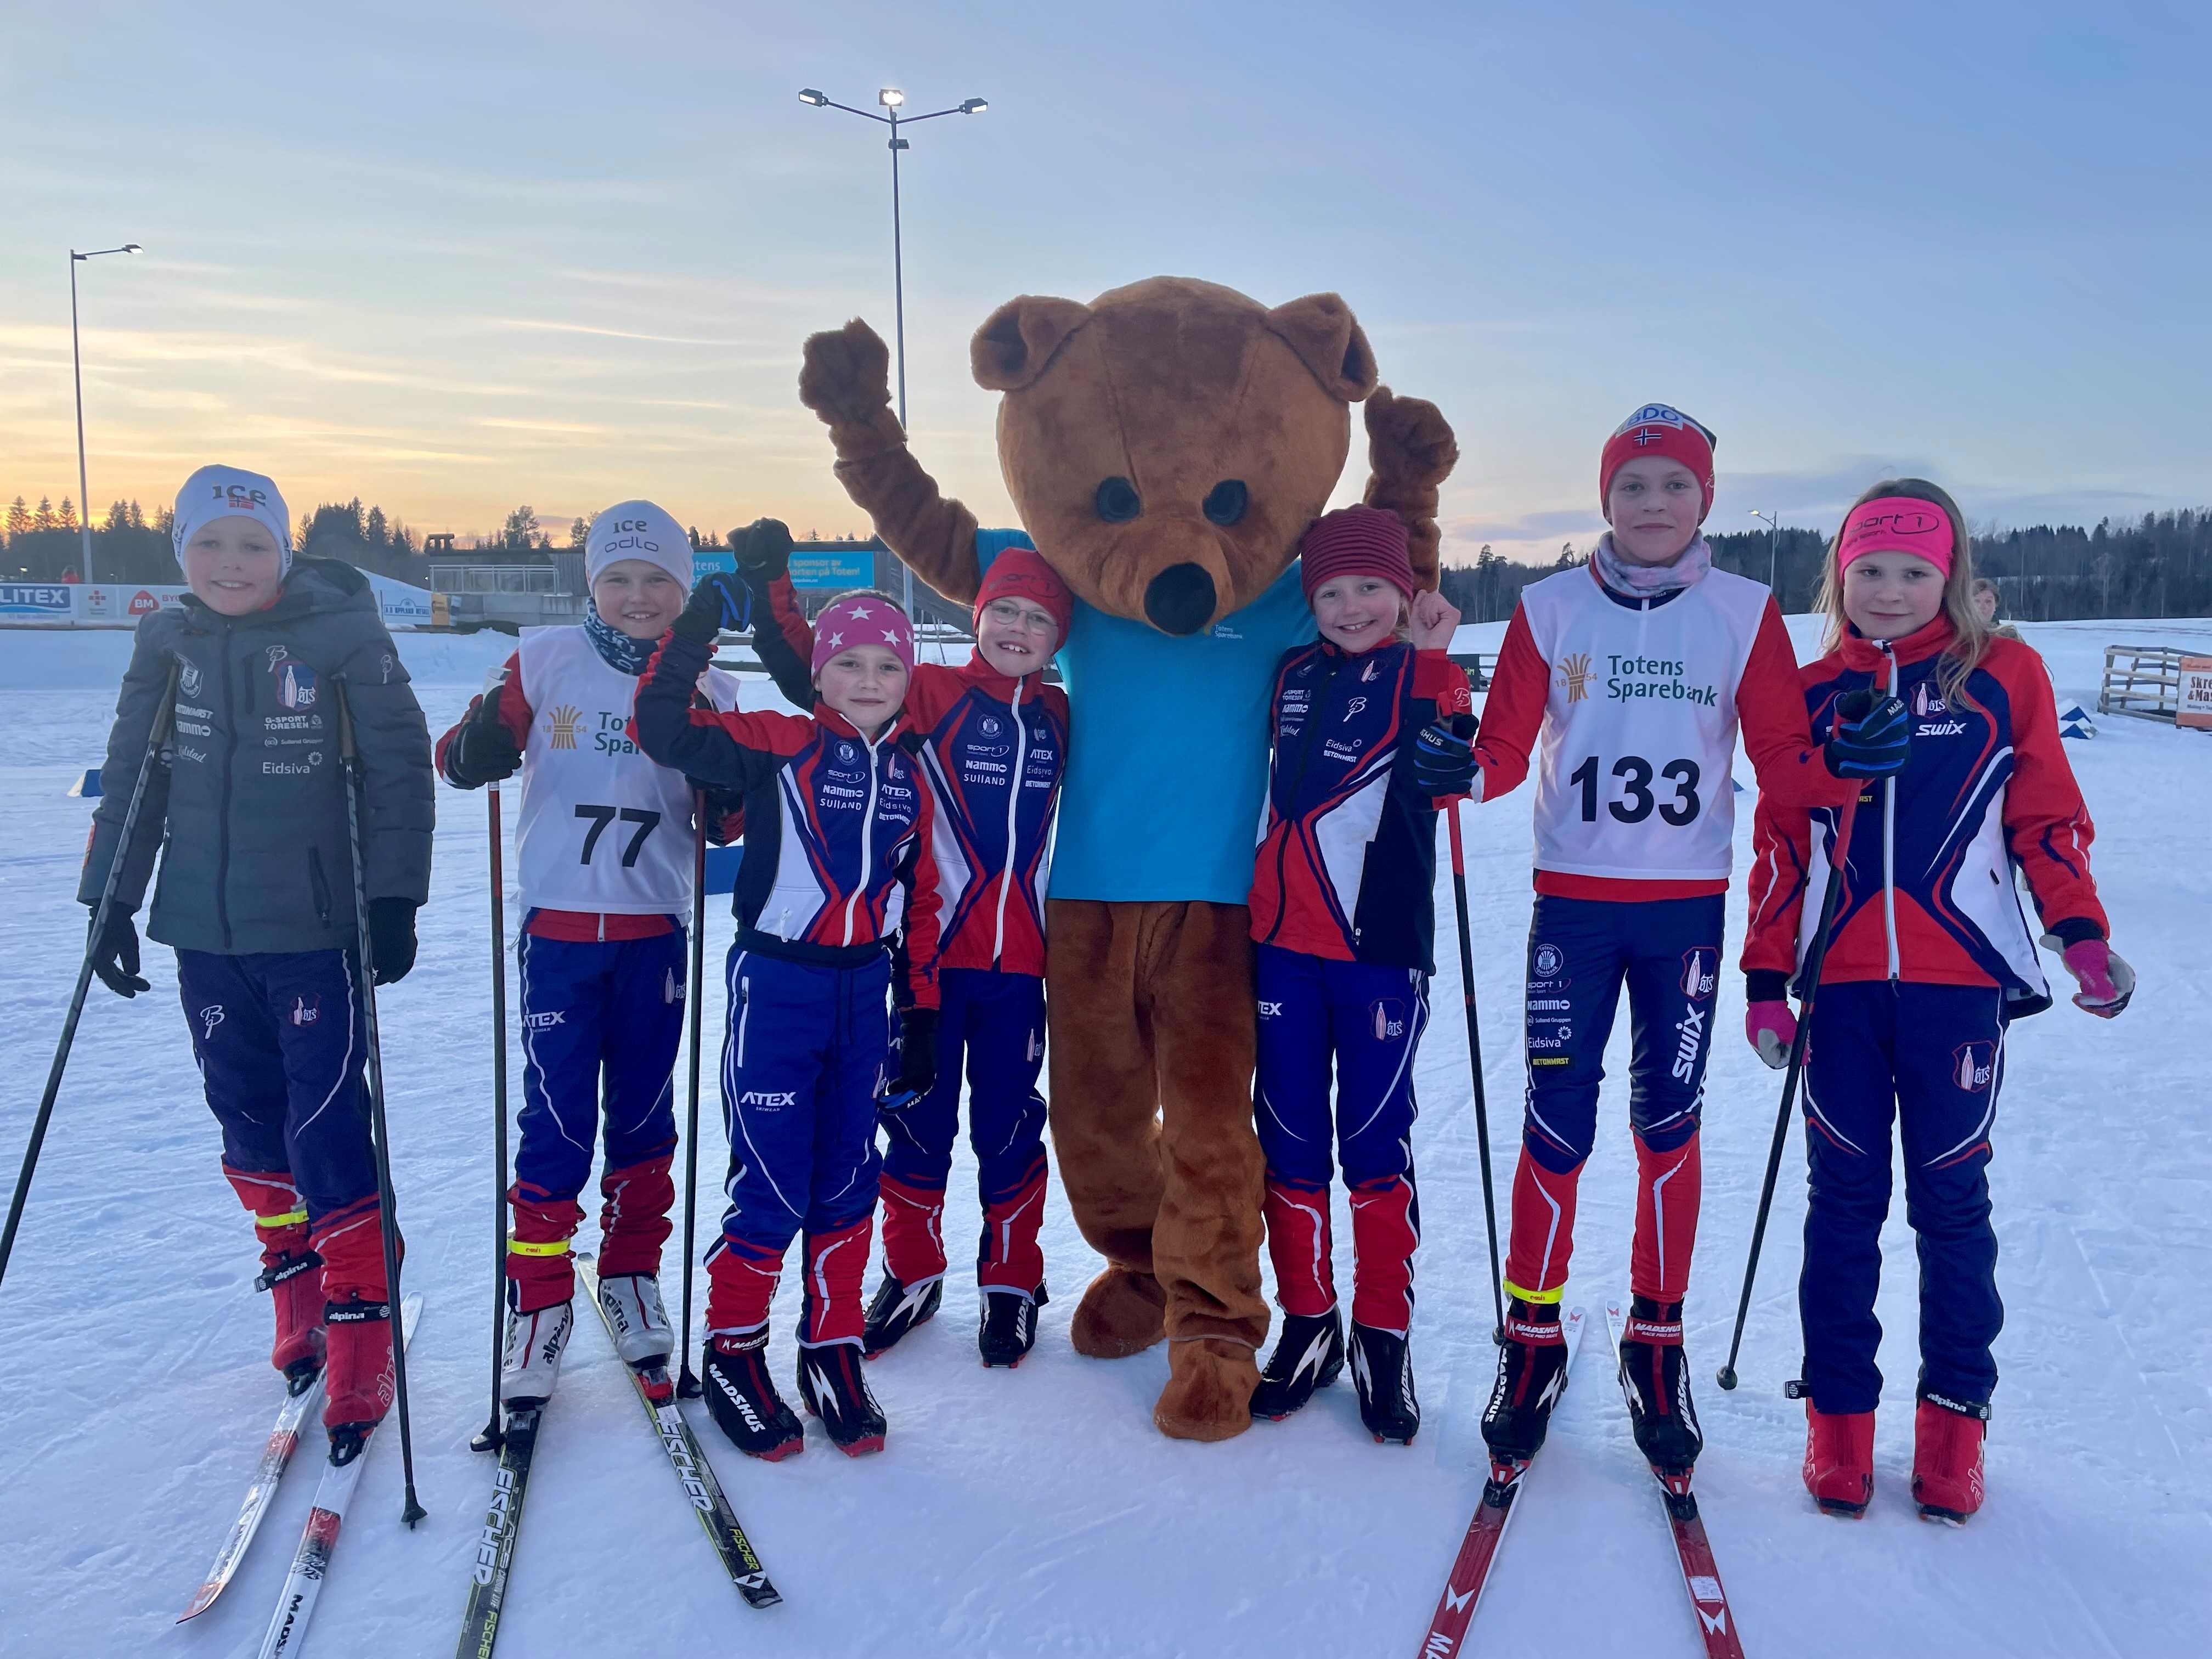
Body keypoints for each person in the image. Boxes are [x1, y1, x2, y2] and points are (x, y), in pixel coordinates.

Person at [1470, 405, 1870, 1483]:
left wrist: (1851, 768)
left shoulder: (1743, 612)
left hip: (1684, 914)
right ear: (1607, 498)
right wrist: (1454, 771)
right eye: (1633, 486)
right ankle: (1533, 1339)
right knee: (1555, 1123)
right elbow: (1503, 749)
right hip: (1575, 910)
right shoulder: (1548, 607)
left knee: (1667, 1126)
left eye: (1674, 486)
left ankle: (1657, 1341)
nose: (1652, 505)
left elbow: (1786, 759)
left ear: (1705, 498)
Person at [1743, 480, 2131, 1524]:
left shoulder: (2004, 676)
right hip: (1843, 993)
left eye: (1916, 571)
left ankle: (1956, 1433)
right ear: (1840, 577)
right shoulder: (1814, 690)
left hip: (1958, 991)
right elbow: (1782, 844)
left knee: (1953, 1208)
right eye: (1870, 569)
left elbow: (2047, 815)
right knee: (1843, 1210)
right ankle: (1839, 1430)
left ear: (1952, 579)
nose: (1892, 589)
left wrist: (2080, 933)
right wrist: (1766, 979)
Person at [81, 465, 433, 1457]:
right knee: (243, 1116)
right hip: (203, 927)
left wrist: (394, 898)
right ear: (181, 554)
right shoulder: (170, 639)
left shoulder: (345, 635)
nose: (230, 564)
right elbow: (133, 774)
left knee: (323, 1120)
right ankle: (298, 1278)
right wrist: (109, 897)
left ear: (282, 551)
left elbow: (401, 770)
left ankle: (364, 1304)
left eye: (252, 546)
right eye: (209, 546)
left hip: (316, 928)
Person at [734, 520, 1073, 1368]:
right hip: (926, 961)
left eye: (1039, 620)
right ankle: (913, 1273)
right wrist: (773, 585)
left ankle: (1011, 1283)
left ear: (1059, 636)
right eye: (1006, 613)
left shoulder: (1063, 714)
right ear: (979, 616)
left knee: (1009, 1126)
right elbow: (825, 668)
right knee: (916, 1123)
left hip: (1020, 967)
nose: (1019, 632)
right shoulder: (929, 690)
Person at [435, 501, 741, 1407]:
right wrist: (479, 743)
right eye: (618, 578)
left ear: (683, 592)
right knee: (558, 1119)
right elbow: (456, 756)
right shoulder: (545, 657)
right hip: (562, 930)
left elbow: (725, 825)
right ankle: (536, 1300)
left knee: (646, 1113)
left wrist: (730, 797)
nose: (638, 596)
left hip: (654, 930)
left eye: (658, 581)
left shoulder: (712, 689)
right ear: (592, 585)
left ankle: (631, 1272)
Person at [633, 577, 942, 1458]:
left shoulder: (912, 777)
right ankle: (734, 1348)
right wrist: (695, 626)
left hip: (864, 993)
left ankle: (832, 1344)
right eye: (848, 661)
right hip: (777, 984)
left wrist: (917, 1015)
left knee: (847, 1176)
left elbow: (917, 901)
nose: (870, 678)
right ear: (819, 671)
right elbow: (663, 728)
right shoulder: (779, 743)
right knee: (769, 1180)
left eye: (888, 663)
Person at [1243, 506, 1475, 1442]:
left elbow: (1457, 774)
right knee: (1290, 1139)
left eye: (1370, 588)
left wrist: (1436, 679)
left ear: (1406, 593)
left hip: (1376, 949)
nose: (1349, 606)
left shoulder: (1431, 673)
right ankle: (1309, 1322)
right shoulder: (1292, 675)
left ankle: (1384, 1333)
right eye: (1331, 592)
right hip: (1282, 950)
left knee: (1375, 1148)